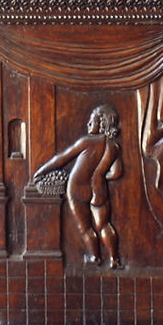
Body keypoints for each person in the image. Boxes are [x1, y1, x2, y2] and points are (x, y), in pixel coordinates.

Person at [33, 103, 124, 268]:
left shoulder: (86, 142)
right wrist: (100, 175)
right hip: (99, 189)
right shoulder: (114, 147)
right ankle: (114, 259)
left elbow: (62, 158)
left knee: (85, 227)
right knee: (104, 225)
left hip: (77, 188)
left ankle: (95, 257)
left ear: (102, 123)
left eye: (92, 121)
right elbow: (117, 173)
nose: (88, 125)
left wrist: (41, 171)